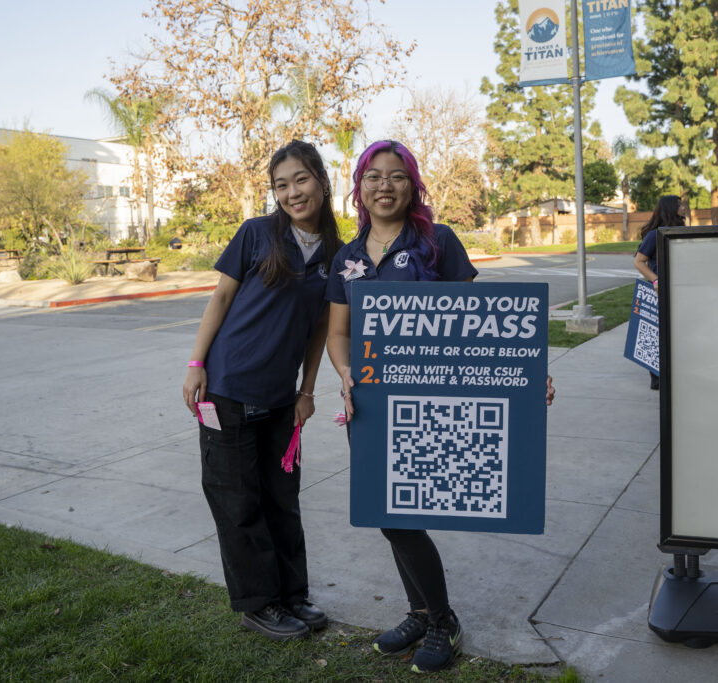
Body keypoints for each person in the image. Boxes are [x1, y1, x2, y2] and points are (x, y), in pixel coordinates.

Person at [326, 140, 555, 674]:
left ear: (413, 187)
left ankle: (442, 620)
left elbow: (483, 322)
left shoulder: (438, 242)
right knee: (388, 515)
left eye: (397, 177)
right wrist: (343, 373)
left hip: (430, 403)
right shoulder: (348, 256)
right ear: (359, 188)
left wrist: (526, 375)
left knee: (403, 515)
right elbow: (338, 332)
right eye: (373, 177)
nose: (385, 186)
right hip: (371, 402)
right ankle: (420, 611)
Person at [182, 140, 341, 642]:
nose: (292, 192)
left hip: (279, 396)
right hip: (228, 386)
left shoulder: (338, 253)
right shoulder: (256, 234)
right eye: (281, 184)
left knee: (282, 499)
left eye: (301, 179)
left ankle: (292, 595)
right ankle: (258, 604)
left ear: (320, 179)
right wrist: (195, 364)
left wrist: (307, 389)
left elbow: (321, 328)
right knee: (239, 501)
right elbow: (221, 296)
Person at [633, 195, 685, 391]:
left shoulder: (681, 231)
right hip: (660, 294)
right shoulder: (655, 235)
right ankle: (657, 378)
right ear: (671, 208)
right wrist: (656, 280)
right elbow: (639, 262)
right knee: (658, 334)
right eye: (679, 205)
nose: (683, 207)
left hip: (679, 289)